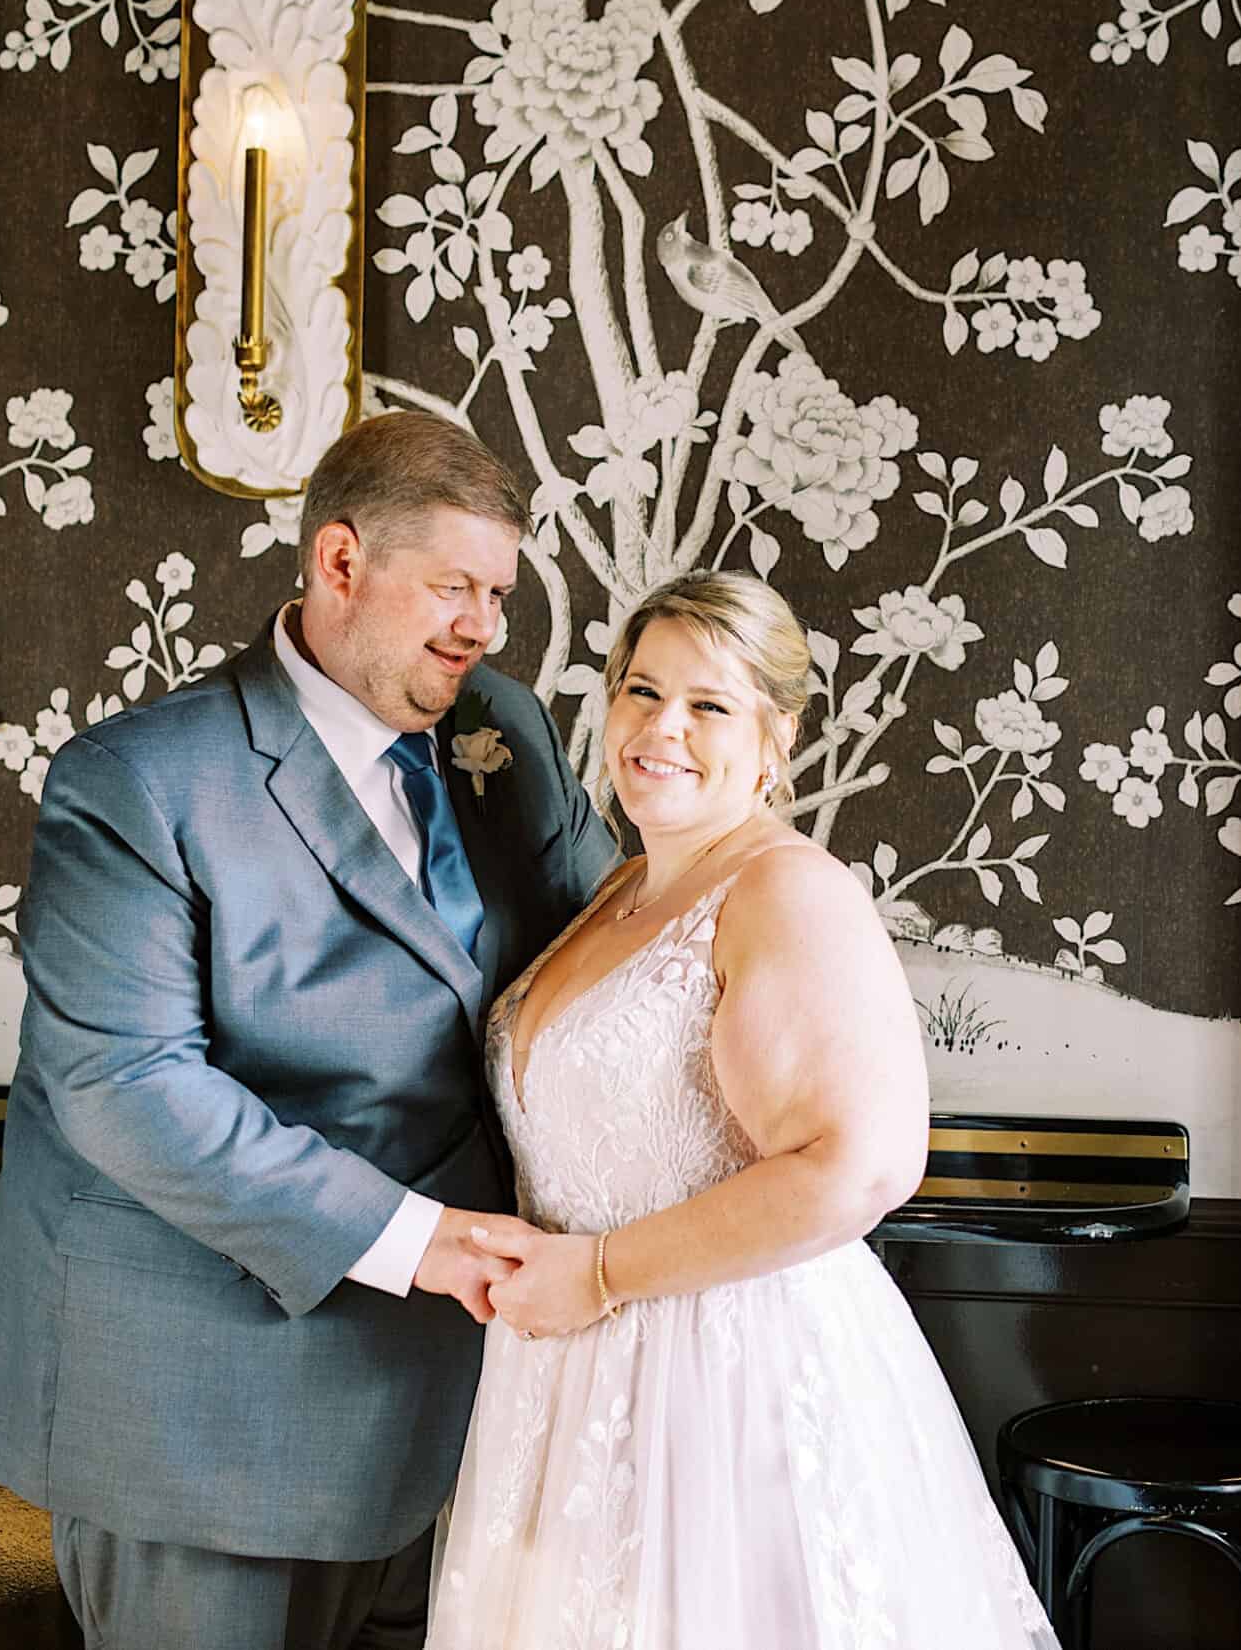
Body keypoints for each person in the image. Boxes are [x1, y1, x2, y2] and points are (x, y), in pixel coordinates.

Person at [0, 412, 621, 1649]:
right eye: (455, 586)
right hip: (207, 1413)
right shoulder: (141, 782)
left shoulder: (506, 737)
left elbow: (613, 939)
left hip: (458, 1405)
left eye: (498, 592)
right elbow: (123, 1086)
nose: (484, 625)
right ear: (339, 563)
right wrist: (418, 1240)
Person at [424, 570, 1056, 1648]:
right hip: (569, 1382)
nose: (660, 727)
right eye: (638, 690)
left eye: (708, 704)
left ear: (774, 739)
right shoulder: (621, 890)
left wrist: (603, 1271)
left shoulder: (783, 891)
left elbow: (859, 1164)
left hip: (723, 1378)